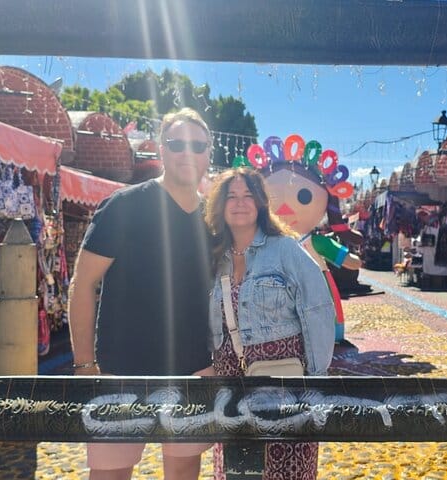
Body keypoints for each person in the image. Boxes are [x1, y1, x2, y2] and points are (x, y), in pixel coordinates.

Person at [68, 108, 214, 480]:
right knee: (110, 474)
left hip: (193, 369)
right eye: (177, 144)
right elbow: (83, 283)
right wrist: (84, 365)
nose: (187, 153)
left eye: (198, 146)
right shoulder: (124, 205)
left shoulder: (212, 219)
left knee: (183, 472)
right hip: (121, 370)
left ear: (208, 153)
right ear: (162, 150)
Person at [205, 168, 335, 480]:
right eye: (231, 196)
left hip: (283, 386)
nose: (240, 203)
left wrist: (315, 380)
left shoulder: (284, 249)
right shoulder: (214, 256)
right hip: (230, 386)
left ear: (261, 203)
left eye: (248, 195)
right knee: (237, 472)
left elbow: (317, 309)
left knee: (285, 470)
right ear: (220, 205)